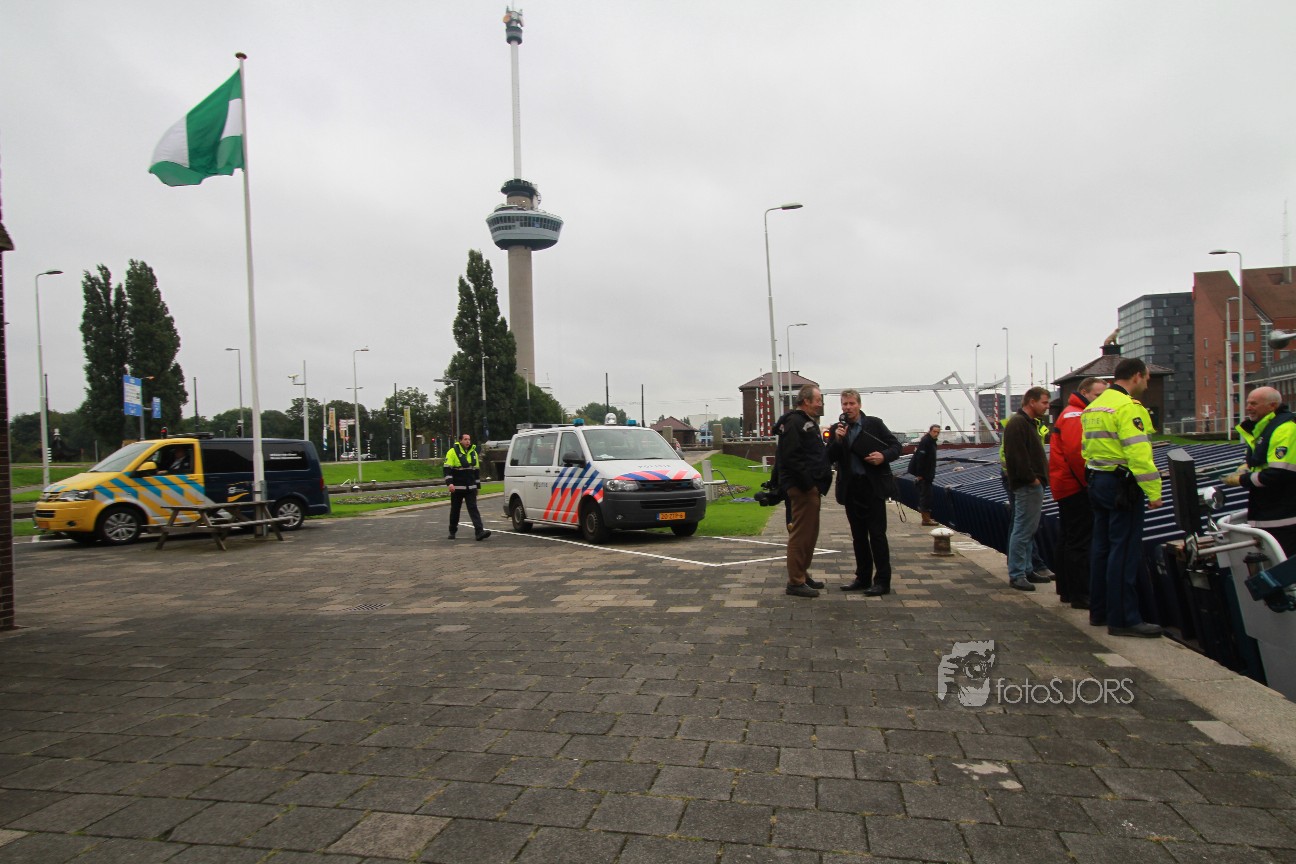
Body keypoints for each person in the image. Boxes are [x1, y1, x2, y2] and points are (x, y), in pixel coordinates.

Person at [1082, 357, 1163, 638]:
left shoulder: (1093, 407)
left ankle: (1100, 611)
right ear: (1137, 376)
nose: (1147, 383)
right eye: (1147, 378)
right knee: (1124, 550)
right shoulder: (1128, 408)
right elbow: (1139, 454)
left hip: (1097, 480)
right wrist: (1154, 492)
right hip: (1121, 485)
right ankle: (1124, 619)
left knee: (1101, 547)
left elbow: (1085, 449)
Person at [831, 389, 902, 596]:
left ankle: (882, 581)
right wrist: (837, 440)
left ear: (859, 405)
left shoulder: (874, 424)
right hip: (851, 488)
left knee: (877, 535)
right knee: (858, 536)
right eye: (844, 404)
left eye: (851, 403)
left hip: (872, 487)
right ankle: (862, 578)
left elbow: (896, 446)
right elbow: (830, 457)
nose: (848, 408)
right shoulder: (837, 428)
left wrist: (883, 456)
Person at [1048, 377, 1107, 608]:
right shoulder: (1077, 415)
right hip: (1075, 486)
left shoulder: (1070, 413)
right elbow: (1076, 453)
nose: (1101, 400)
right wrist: (1088, 483)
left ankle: (1066, 589)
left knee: (1068, 537)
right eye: (1097, 395)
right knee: (1079, 540)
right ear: (1084, 392)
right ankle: (1080, 594)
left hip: (1065, 484)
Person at [1225, 386, 1296, 556]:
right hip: (1269, 514)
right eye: (1248, 403)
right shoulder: (1264, 428)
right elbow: (1265, 462)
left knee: (1284, 566)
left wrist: (1242, 480)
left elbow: (1279, 473)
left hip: (1283, 518)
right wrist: (1247, 467)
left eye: (1254, 404)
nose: (1248, 408)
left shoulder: (1284, 429)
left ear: (1272, 406)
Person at [776, 384, 831, 597]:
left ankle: (802, 574)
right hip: (802, 489)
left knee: (810, 533)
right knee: (801, 535)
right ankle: (795, 581)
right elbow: (791, 457)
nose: (820, 404)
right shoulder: (795, 422)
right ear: (806, 401)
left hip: (809, 488)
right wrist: (808, 484)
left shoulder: (806, 422)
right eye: (818, 400)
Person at [1003, 387, 1052, 592]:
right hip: (1027, 486)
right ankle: (1017, 574)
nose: (1047, 407)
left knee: (1028, 529)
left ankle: (1027, 569)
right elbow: (1016, 456)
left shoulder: (1028, 423)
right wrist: (1032, 479)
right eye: (1044, 402)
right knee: (1023, 529)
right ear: (1032, 402)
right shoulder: (1018, 423)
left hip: (1031, 484)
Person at [444, 433, 491, 541]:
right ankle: (452, 531)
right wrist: (450, 483)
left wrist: (477, 487)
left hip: (471, 488)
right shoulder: (452, 452)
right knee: (455, 510)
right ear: (460, 440)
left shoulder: (473, 453)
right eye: (465, 439)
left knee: (473, 509)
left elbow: (476, 472)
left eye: (469, 439)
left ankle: (479, 532)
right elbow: (447, 469)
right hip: (457, 488)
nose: (468, 441)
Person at [911, 424, 940, 526]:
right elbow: (920, 458)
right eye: (934, 431)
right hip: (925, 475)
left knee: (927, 496)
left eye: (938, 432)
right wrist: (920, 474)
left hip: (928, 474)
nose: (936, 434)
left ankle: (927, 518)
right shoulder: (926, 441)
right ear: (930, 431)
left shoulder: (931, 441)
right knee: (926, 496)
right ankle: (926, 519)